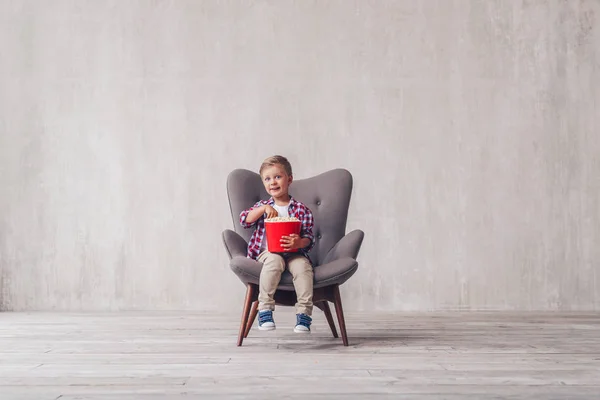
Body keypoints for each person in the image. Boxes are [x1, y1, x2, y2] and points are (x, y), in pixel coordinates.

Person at [239, 155, 315, 333]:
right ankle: (264, 309)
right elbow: (244, 220)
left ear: (289, 179)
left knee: (303, 267)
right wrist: (263, 209)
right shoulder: (263, 205)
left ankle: (304, 314)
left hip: (294, 253)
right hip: (268, 252)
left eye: (277, 177)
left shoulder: (301, 209)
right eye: (267, 178)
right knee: (275, 261)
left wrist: (299, 242)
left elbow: (308, 237)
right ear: (263, 183)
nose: (272, 182)